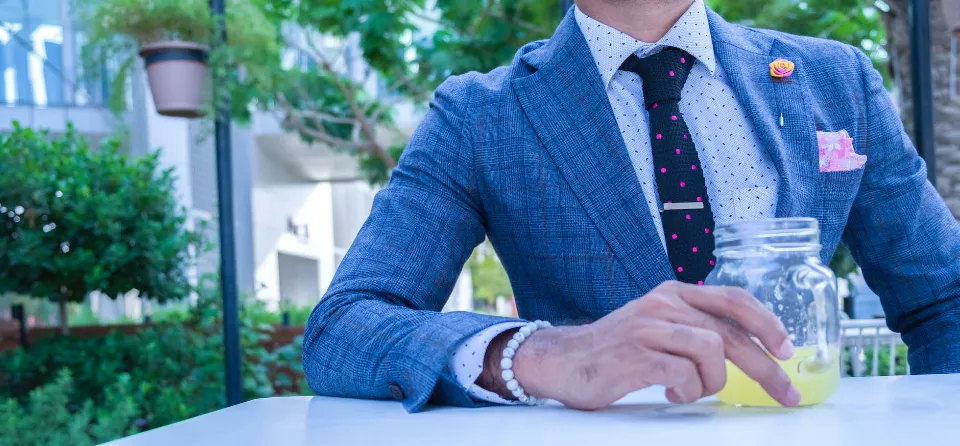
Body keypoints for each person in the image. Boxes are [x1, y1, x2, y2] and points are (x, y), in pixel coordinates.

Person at [302, 0, 960, 412]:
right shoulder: (481, 116)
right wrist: (542, 355)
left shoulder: (836, 81)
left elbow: (945, 300)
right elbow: (344, 327)